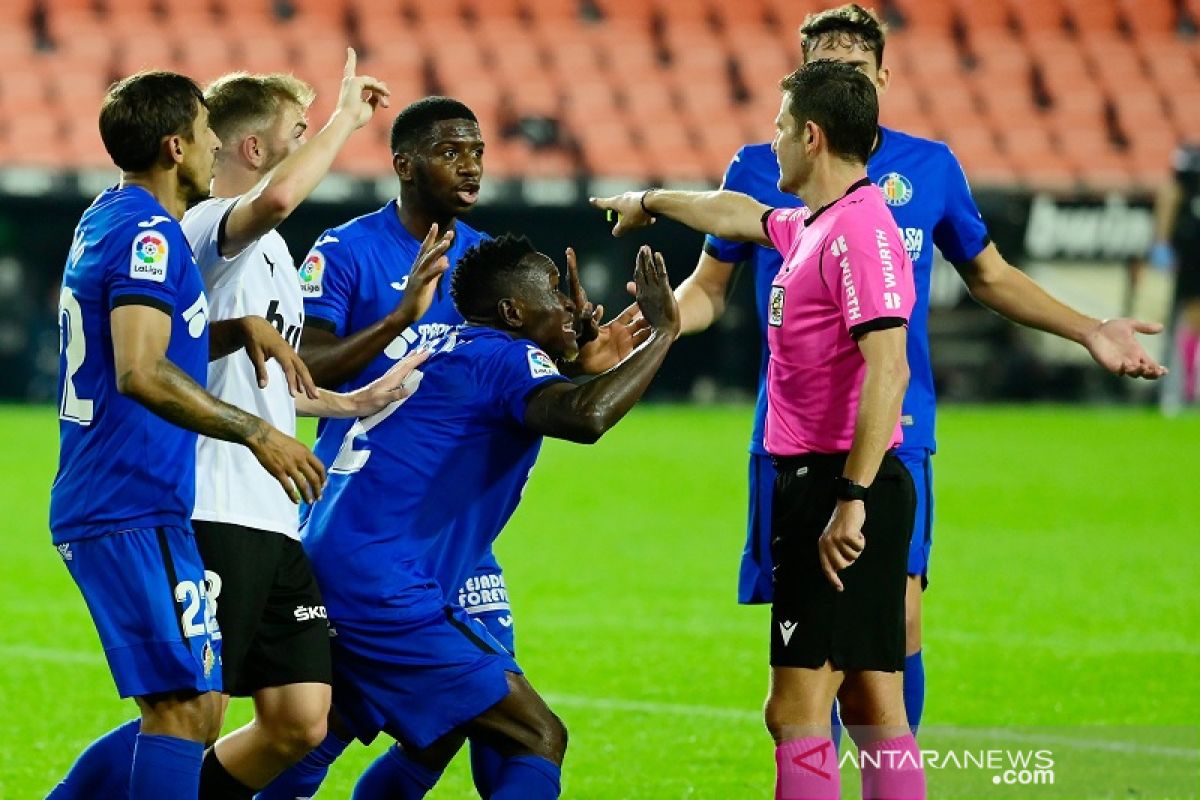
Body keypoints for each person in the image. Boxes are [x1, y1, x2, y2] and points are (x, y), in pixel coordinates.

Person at [644, 2, 1166, 735]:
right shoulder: (763, 168)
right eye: (822, 70)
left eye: (853, 68)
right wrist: (655, 324)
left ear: (883, 75)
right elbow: (706, 290)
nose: (839, 82)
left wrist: (1088, 329)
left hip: (894, 427)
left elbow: (988, 275)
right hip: (788, 435)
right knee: (804, 659)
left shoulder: (929, 167)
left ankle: (882, 764)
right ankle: (826, 766)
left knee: (896, 620)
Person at [259, 97, 643, 800]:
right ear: (403, 164)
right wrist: (398, 319)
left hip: (447, 532)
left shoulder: (488, 267)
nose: (470, 164)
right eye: (450, 151)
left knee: (443, 723)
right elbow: (301, 366)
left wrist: (578, 356)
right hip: (371, 509)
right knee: (486, 719)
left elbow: (516, 382)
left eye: (477, 150)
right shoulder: (348, 251)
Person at [592, 59, 925, 800]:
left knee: (795, 711)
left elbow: (890, 370)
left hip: (836, 486)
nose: (770, 142)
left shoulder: (858, 234)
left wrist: (850, 497)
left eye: (778, 128)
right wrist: (648, 200)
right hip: (829, 482)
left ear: (811, 136)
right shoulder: (816, 223)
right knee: (873, 707)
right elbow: (737, 215)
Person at [297, 235, 678, 800]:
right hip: (382, 586)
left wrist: (574, 351)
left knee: (351, 733)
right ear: (512, 312)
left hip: (332, 563)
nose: (575, 304)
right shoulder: (506, 356)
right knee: (535, 737)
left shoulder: (449, 346)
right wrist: (664, 332)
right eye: (555, 290)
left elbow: (551, 390)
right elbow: (586, 416)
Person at [47, 71, 325, 800]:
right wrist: (256, 435)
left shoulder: (113, 216)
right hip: (126, 499)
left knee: (194, 708)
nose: (214, 149)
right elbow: (140, 369)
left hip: (136, 499)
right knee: (183, 709)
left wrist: (238, 329)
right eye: (205, 136)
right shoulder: (148, 234)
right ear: (176, 146)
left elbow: (152, 343)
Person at [177, 53, 430, 799]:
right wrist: (346, 118)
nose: (306, 141)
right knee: (191, 714)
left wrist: (351, 402)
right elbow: (281, 198)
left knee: (300, 719)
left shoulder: (277, 257)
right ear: (254, 148)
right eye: (297, 129)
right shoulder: (207, 229)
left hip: (278, 516)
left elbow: (274, 380)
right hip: (215, 507)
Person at [1150, 142, 1200, 413]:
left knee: (1187, 326)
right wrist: (1161, 245)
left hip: (1187, 261)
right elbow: (1166, 205)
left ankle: (1184, 390)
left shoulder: (1177, 190)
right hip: (1185, 263)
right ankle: (1180, 391)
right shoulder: (1176, 190)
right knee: (1177, 327)